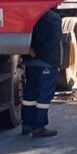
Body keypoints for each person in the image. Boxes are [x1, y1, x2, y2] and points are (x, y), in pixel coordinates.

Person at [21, 8, 61, 138]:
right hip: (47, 61)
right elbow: (53, 42)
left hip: (31, 61)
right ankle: (38, 127)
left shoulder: (29, 15)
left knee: (30, 93)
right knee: (44, 95)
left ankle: (26, 124)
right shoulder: (53, 18)